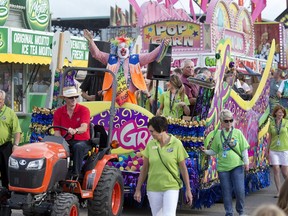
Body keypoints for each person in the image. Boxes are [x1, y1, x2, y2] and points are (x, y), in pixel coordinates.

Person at [84, 29, 170, 106]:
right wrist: (91, 41)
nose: (123, 49)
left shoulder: (135, 59)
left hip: (129, 97)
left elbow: (150, 56)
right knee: (110, 121)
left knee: (129, 121)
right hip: (111, 96)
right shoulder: (110, 58)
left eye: (125, 47)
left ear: (129, 48)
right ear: (116, 49)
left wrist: (161, 46)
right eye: (120, 47)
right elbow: (97, 54)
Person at [134, 116, 193, 216]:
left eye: (152, 131)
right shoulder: (150, 145)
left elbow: (183, 168)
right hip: (153, 188)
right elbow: (144, 169)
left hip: (171, 187)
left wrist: (188, 190)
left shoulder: (176, 144)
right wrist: (138, 189)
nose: (151, 134)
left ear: (161, 129)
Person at [201, 109, 250, 216]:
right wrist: (205, 151)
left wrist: (246, 162)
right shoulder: (218, 135)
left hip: (237, 166)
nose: (229, 123)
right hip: (223, 168)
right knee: (226, 192)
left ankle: (241, 211)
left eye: (231, 120)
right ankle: (229, 212)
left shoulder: (238, 133)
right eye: (226, 121)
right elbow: (215, 150)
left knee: (239, 191)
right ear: (222, 122)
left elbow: (243, 149)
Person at [53, 86, 91, 178]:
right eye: (71, 97)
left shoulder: (84, 110)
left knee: (78, 147)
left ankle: (75, 174)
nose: (74, 99)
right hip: (65, 140)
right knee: (53, 147)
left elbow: (84, 127)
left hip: (82, 141)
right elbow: (57, 132)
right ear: (65, 99)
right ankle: (54, 173)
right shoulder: (58, 112)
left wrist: (75, 130)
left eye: (75, 97)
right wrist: (60, 142)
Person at [0, 89, 21, 188]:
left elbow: (17, 130)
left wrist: (16, 145)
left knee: (6, 172)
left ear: (3, 101)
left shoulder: (10, 113)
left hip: (5, 147)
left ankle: (7, 194)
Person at [267, 105, 288, 197]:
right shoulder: (271, 123)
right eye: (279, 112)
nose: (281, 114)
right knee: (276, 169)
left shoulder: (286, 122)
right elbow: (269, 138)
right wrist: (267, 150)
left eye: (282, 113)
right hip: (274, 149)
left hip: (284, 149)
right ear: (275, 113)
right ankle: (279, 191)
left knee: (285, 172)